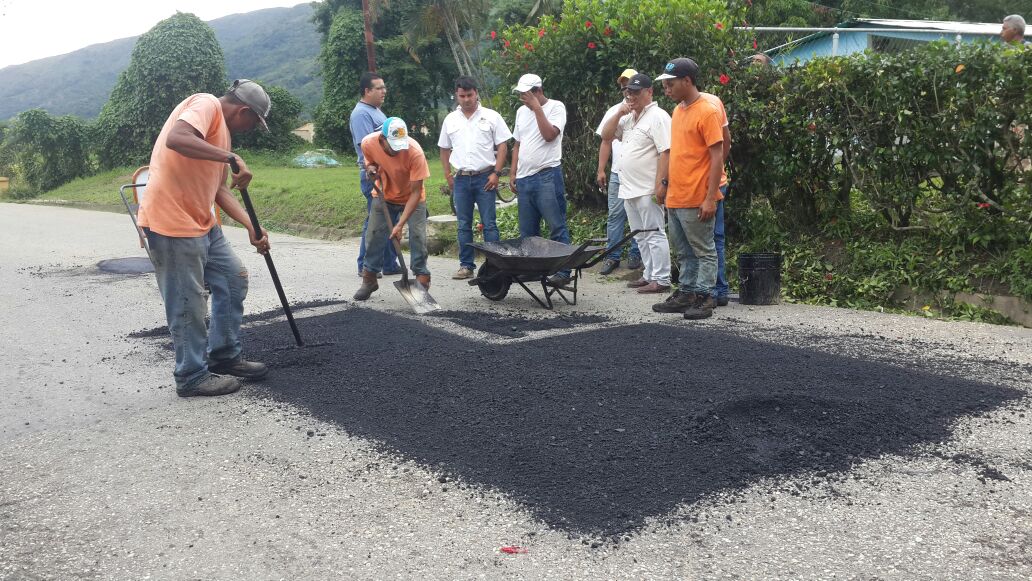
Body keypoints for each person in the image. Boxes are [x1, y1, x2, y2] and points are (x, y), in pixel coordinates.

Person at [137, 79, 272, 397]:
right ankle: (191, 375)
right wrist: (230, 157)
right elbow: (177, 138)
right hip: (171, 225)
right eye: (255, 121)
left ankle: (223, 356)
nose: (252, 128)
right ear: (243, 111)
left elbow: (220, 189)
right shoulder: (206, 104)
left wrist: (252, 226)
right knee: (188, 302)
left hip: (203, 224)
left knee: (232, 278)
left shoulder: (221, 134)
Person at [652, 58, 724, 320]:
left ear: (687, 81)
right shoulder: (679, 111)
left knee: (704, 250)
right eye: (665, 84)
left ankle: (705, 297)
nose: (666, 89)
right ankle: (686, 292)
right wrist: (664, 184)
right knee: (683, 251)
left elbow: (717, 157)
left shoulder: (707, 111)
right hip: (676, 195)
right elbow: (676, 153)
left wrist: (710, 198)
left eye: (670, 84)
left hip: (697, 196)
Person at [599, 73, 672, 295]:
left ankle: (661, 278)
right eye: (628, 91)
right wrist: (619, 112)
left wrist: (662, 184)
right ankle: (649, 274)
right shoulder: (628, 117)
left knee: (654, 232)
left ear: (649, 92)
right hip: (628, 187)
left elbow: (666, 152)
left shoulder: (658, 116)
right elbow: (606, 135)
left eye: (636, 92)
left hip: (647, 187)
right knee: (640, 235)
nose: (631, 95)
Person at [438, 76, 512, 280]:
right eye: (462, 96)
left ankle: (494, 264)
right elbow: (444, 148)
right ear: (457, 95)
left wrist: (496, 173)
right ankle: (466, 265)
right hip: (461, 179)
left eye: (470, 95)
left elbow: (503, 145)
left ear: (476, 93)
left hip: (485, 177)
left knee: (489, 223)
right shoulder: (450, 119)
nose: (466, 99)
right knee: (463, 223)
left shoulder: (491, 116)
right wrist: (447, 175)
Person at [354, 117, 432, 300]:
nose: (398, 150)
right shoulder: (368, 143)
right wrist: (371, 168)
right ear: (382, 140)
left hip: (412, 198)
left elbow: (415, 193)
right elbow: (370, 161)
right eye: (393, 146)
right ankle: (369, 279)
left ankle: (422, 279)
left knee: (418, 236)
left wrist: (399, 225)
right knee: (373, 235)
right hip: (384, 195)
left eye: (400, 145)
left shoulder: (415, 153)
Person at [510, 73, 572, 286]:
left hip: (547, 174)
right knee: (528, 231)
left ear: (537, 91)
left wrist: (537, 108)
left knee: (556, 225)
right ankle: (533, 269)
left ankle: (563, 272)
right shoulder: (520, 112)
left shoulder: (556, 107)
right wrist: (513, 173)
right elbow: (517, 143)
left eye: (525, 94)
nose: (522, 99)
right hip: (525, 177)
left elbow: (549, 135)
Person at [350, 72, 401, 278]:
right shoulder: (361, 114)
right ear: (367, 91)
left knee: (388, 218)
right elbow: (367, 146)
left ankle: (389, 263)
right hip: (373, 175)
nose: (384, 91)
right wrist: (376, 172)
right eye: (379, 88)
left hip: (386, 174)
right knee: (375, 220)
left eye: (384, 87)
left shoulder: (376, 111)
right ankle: (365, 265)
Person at [595, 68, 643, 275]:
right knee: (615, 215)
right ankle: (613, 255)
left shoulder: (647, 112)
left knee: (639, 216)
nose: (626, 90)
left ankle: (636, 253)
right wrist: (601, 169)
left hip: (640, 174)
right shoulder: (615, 111)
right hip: (617, 173)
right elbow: (605, 140)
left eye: (630, 85)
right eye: (624, 87)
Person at [699, 91, 732, 306]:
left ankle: (709, 290)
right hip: (718, 181)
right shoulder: (715, 100)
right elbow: (726, 141)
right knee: (715, 239)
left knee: (704, 240)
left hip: (707, 185)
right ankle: (719, 290)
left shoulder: (704, 106)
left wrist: (712, 172)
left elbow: (722, 145)